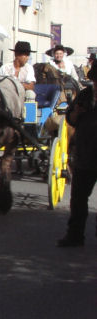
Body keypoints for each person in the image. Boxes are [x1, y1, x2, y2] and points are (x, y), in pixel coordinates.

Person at [57, 59, 97, 247]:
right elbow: (70, 120)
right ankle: (75, 235)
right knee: (78, 198)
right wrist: (77, 113)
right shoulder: (84, 96)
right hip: (85, 153)